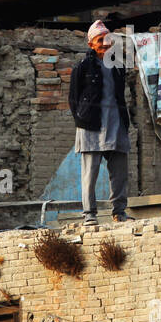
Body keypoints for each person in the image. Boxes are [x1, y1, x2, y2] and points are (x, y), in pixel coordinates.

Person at [68, 20, 132, 224]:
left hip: (116, 123)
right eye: (99, 40)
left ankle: (119, 212)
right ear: (91, 44)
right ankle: (89, 215)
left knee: (120, 171)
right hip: (90, 125)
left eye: (107, 40)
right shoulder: (82, 66)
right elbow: (73, 98)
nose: (105, 44)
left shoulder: (119, 66)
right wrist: (81, 119)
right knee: (90, 172)